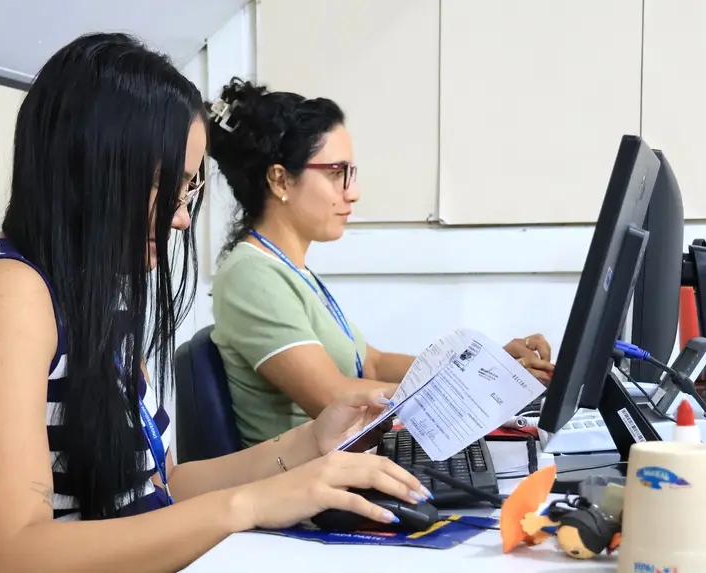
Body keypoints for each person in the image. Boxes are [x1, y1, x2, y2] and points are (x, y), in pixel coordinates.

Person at [0, 34, 428, 573]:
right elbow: (9, 555)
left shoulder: (92, 301)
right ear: (99, 169)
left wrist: (308, 443)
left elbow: (162, 487)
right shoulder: (6, 295)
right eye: (173, 187)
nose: (182, 217)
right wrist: (251, 506)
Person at [207, 78, 555, 449]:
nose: (352, 192)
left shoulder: (291, 270)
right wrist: (472, 387)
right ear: (281, 180)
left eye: (350, 174)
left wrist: (481, 366)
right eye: (336, 173)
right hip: (303, 491)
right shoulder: (251, 275)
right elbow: (333, 398)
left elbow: (369, 363)